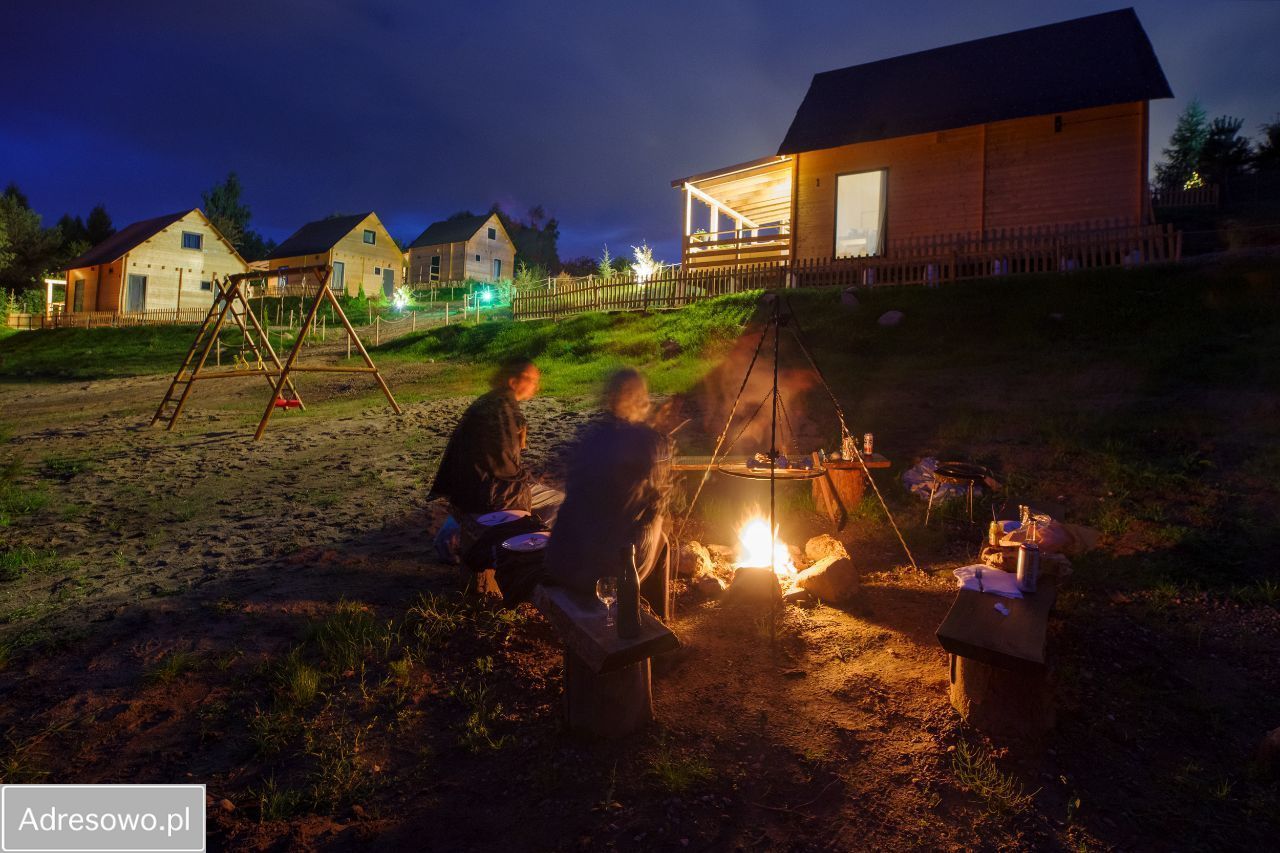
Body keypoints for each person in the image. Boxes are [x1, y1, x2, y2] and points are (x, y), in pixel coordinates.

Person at [544, 368, 672, 618]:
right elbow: (660, 498)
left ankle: (650, 620)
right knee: (659, 527)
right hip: (604, 573)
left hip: (562, 560)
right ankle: (656, 630)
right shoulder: (650, 440)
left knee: (654, 536)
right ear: (639, 401)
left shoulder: (588, 437)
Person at [430, 357, 563, 526]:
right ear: (513, 381)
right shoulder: (501, 411)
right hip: (487, 495)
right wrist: (524, 483)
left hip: (468, 490)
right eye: (532, 380)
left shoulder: (491, 401)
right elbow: (504, 468)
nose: (537, 386)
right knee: (561, 504)